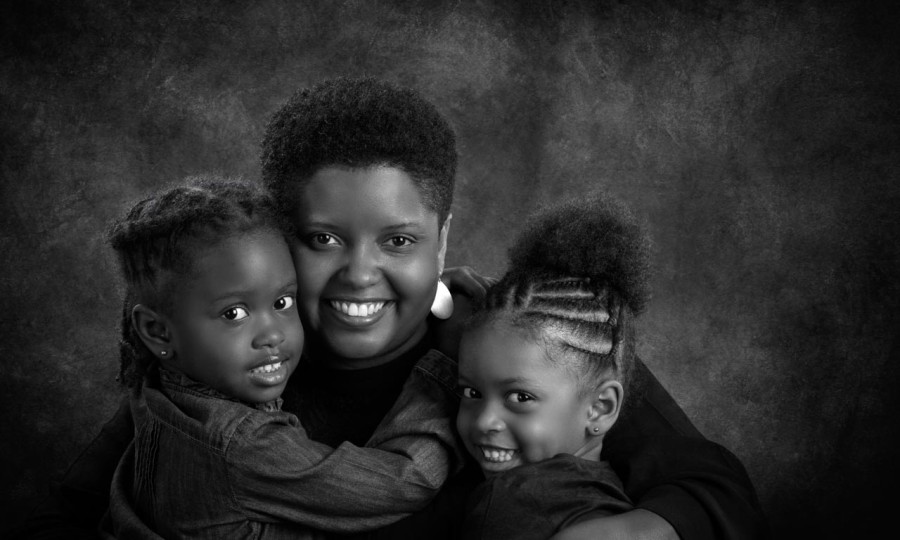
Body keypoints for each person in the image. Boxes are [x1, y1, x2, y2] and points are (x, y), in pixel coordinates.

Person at [14, 77, 767, 540]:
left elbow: (708, 488)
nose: (359, 274)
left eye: (399, 239)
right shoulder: (224, 371)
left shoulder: (514, 339)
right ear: (281, 238)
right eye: (321, 238)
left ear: (442, 241)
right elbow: (64, 514)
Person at [102, 178, 462, 538]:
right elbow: (402, 482)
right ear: (157, 332)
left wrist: (429, 289)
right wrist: (445, 366)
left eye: (282, 303)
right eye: (234, 314)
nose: (272, 335)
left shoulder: (154, 389)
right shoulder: (242, 445)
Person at [455, 194, 655, 539]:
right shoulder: (610, 498)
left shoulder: (508, 505)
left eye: (520, 397)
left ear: (600, 408)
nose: (484, 421)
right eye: (471, 392)